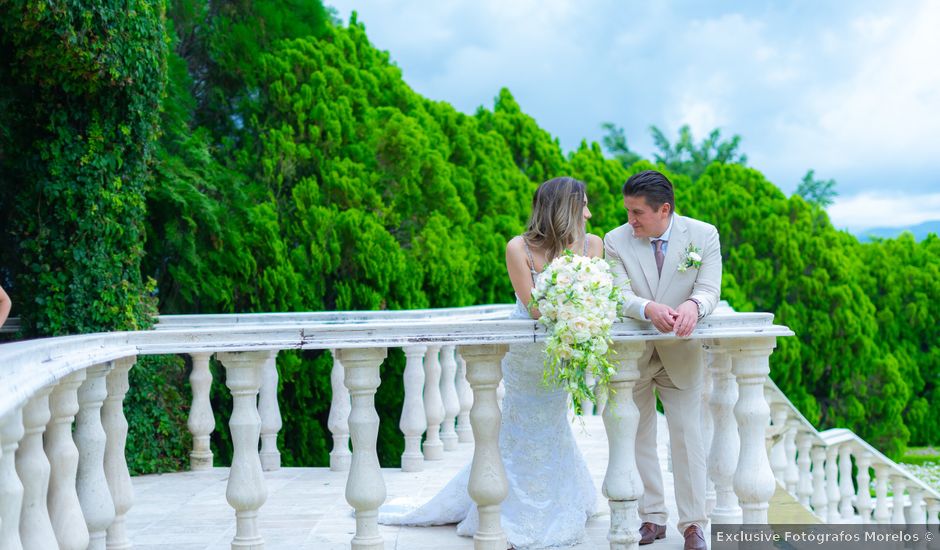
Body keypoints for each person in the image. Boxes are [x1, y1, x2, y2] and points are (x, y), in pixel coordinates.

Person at [379, 176, 603, 548]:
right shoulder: (519, 248)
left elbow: (594, 296)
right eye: (583, 205)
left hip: (563, 348)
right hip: (526, 355)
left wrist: (587, 310)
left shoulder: (593, 244)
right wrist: (571, 303)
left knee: (553, 422)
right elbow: (533, 309)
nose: (589, 213)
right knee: (521, 423)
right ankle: (509, 504)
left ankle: (559, 495)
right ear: (564, 209)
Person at [603, 170, 721, 550]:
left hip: (681, 353)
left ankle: (693, 525)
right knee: (637, 437)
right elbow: (618, 294)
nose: (630, 220)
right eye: (627, 211)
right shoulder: (615, 241)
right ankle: (652, 518)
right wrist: (646, 307)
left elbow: (709, 290)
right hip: (632, 357)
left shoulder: (704, 235)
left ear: (664, 210)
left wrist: (693, 306)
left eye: (637, 213)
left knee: (688, 438)